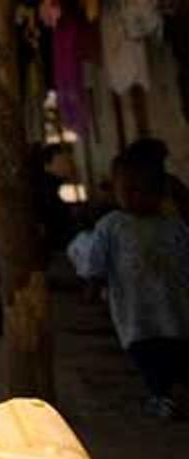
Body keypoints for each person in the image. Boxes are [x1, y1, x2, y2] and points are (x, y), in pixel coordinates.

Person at [67, 153, 189, 419]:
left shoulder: (174, 225)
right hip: (136, 313)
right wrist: (92, 282)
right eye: (127, 190)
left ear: (160, 191)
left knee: (175, 353)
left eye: (142, 190)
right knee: (146, 357)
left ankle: (167, 397)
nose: (134, 197)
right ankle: (162, 394)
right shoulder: (112, 226)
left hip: (175, 309)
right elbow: (96, 259)